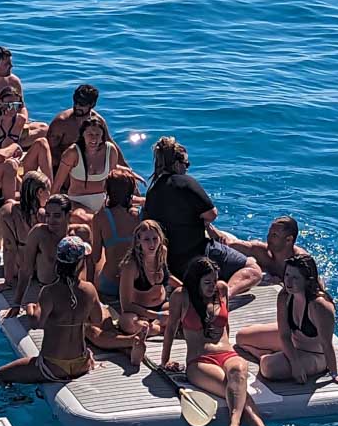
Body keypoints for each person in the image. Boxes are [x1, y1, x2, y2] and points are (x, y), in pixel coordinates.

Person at [161, 257, 290, 426]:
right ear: (195, 281)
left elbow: (225, 324)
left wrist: (229, 346)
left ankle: (236, 424)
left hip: (227, 354)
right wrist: (165, 361)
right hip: (200, 360)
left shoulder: (221, 289)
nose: (212, 286)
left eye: (214, 280)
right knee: (237, 392)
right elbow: (170, 329)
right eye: (207, 282)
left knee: (239, 368)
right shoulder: (181, 296)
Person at [142, 137, 262, 299]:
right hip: (198, 253)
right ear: (177, 164)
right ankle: (224, 295)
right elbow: (211, 214)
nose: (187, 168)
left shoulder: (152, 191)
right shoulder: (185, 182)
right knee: (253, 269)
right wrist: (204, 223)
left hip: (171, 262)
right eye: (186, 164)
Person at [235, 254, 338, 385]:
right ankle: (272, 353)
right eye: (287, 275)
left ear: (307, 280)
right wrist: (295, 363)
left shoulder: (319, 305)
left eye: (295, 278)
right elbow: (284, 335)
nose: (288, 282)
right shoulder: (285, 295)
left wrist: (334, 374)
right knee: (241, 337)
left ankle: (263, 355)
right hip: (293, 341)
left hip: (314, 354)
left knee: (268, 367)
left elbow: (326, 344)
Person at [0, 236, 98, 384]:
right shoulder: (89, 289)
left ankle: (19, 399)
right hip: (81, 363)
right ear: (80, 263)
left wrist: (30, 307)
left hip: (53, 366)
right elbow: (98, 319)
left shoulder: (49, 291)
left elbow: (36, 323)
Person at [10, 193, 91, 317]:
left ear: (68, 215)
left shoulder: (81, 233)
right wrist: (16, 303)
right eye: (48, 215)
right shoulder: (39, 233)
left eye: (57, 216)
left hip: (75, 294)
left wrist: (89, 296)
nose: (50, 221)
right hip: (49, 295)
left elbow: (87, 268)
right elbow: (26, 270)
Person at [0, 171, 50, 294]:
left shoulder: (9, 213)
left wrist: (7, 282)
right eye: (48, 190)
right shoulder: (46, 214)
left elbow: (9, 248)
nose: (49, 195)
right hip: (43, 272)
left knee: (8, 204)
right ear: (40, 192)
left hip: (20, 269)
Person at [46, 85, 129, 173]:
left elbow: (109, 144)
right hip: (64, 166)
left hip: (90, 165)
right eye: (75, 102)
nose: (77, 106)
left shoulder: (98, 122)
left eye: (82, 104)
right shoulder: (61, 123)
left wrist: (125, 167)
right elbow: (48, 151)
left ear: (92, 104)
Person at [118, 220, 180, 336]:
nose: (152, 244)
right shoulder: (131, 265)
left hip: (162, 306)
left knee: (184, 299)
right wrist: (157, 316)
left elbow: (167, 275)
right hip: (139, 312)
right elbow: (125, 305)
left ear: (160, 238)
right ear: (138, 241)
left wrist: (184, 287)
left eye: (155, 239)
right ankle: (161, 328)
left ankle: (153, 328)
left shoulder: (162, 252)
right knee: (128, 323)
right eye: (147, 239)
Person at [51, 117, 120, 217]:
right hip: (77, 204)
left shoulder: (110, 151)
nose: (94, 138)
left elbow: (114, 180)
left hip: (103, 203)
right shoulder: (72, 153)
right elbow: (57, 186)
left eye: (97, 135)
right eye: (90, 134)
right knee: (84, 218)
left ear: (102, 136)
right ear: (83, 134)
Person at [215, 215, 312, 283]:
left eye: (274, 235)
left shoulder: (300, 261)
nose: (268, 237)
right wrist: (208, 226)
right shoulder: (263, 253)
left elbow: (315, 288)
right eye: (269, 233)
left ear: (289, 239)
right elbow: (228, 242)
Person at [91, 169, 140, 301]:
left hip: (110, 285)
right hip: (134, 285)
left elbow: (95, 258)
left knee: (98, 255)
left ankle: (89, 288)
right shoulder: (138, 216)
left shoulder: (100, 217)